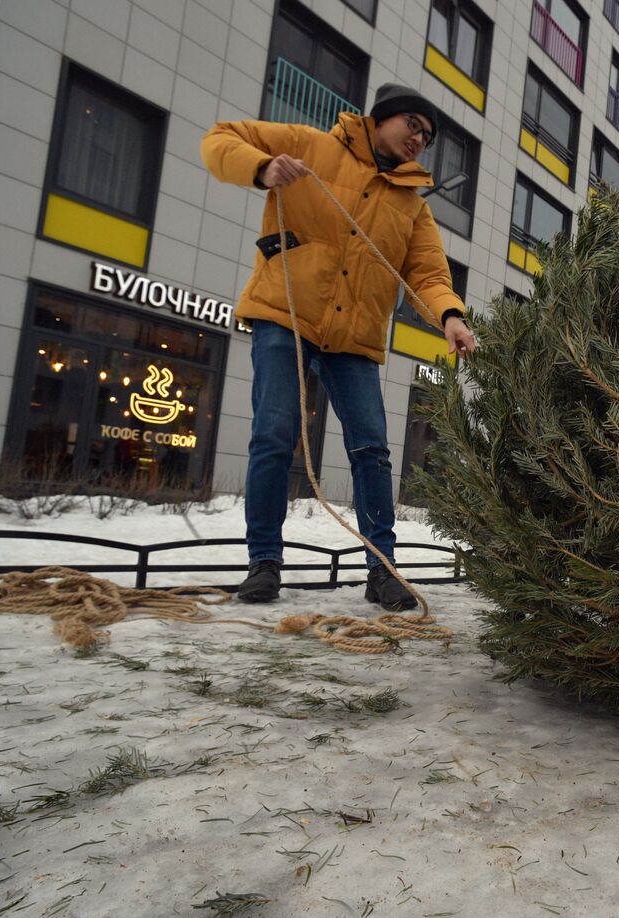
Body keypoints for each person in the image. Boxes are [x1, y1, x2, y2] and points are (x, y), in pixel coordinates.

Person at [200, 84, 477, 611]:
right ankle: (264, 563)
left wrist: (451, 316)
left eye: (428, 135)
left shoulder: (412, 208)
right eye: (413, 125)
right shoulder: (311, 146)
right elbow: (220, 139)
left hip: (357, 336)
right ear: (382, 118)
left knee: (372, 449)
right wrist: (260, 168)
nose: (420, 138)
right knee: (275, 434)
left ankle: (383, 570)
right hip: (284, 313)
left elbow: (427, 274)